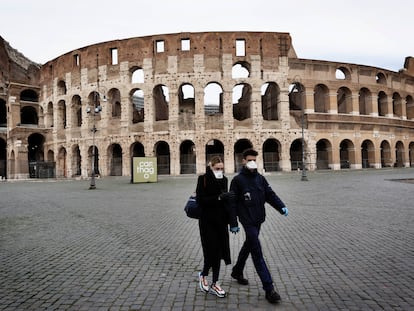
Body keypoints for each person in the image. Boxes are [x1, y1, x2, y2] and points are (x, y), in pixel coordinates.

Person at [229, 148, 288, 304]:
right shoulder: (237, 181)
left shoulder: (260, 178)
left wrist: (281, 206)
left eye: (254, 160)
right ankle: (269, 289)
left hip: (259, 219)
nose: (252, 162)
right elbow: (232, 203)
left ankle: (237, 271)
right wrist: (233, 223)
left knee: (249, 244)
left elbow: (270, 194)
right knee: (257, 252)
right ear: (243, 161)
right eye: (249, 160)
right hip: (247, 221)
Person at [196, 156, 239, 298]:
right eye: (217, 169)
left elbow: (227, 203)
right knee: (211, 251)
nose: (220, 171)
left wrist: (232, 222)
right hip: (207, 221)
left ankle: (215, 283)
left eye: (221, 169)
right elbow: (200, 200)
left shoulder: (225, 180)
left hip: (221, 221)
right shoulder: (203, 179)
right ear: (211, 167)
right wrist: (219, 197)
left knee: (220, 252)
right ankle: (203, 275)